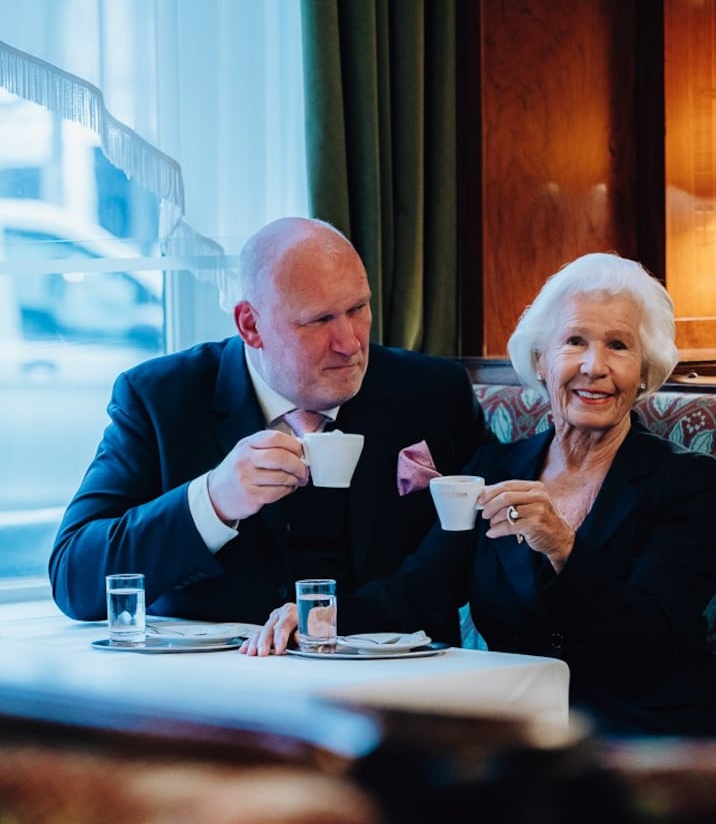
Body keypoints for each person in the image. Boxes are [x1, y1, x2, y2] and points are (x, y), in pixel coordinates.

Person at [244, 251, 716, 737]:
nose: (594, 366)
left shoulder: (688, 483)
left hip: (651, 736)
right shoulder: (492, 471)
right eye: (574, 341)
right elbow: (418, 591)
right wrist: (320, 615)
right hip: (523, 730)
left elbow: (649, 641)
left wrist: (563, 547)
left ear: (645, 371)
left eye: (619, 346)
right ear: (541, 361)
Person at [49, 217, 493, 634]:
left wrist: (347, 618)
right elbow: (75, 580)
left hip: (405, 685)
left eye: (358, 308)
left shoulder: (433, 393)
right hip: (220, 692)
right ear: (251, 325)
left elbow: (478, 549)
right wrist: (213, 500)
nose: (350, 343)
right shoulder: (160, 398)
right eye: (319, 320)